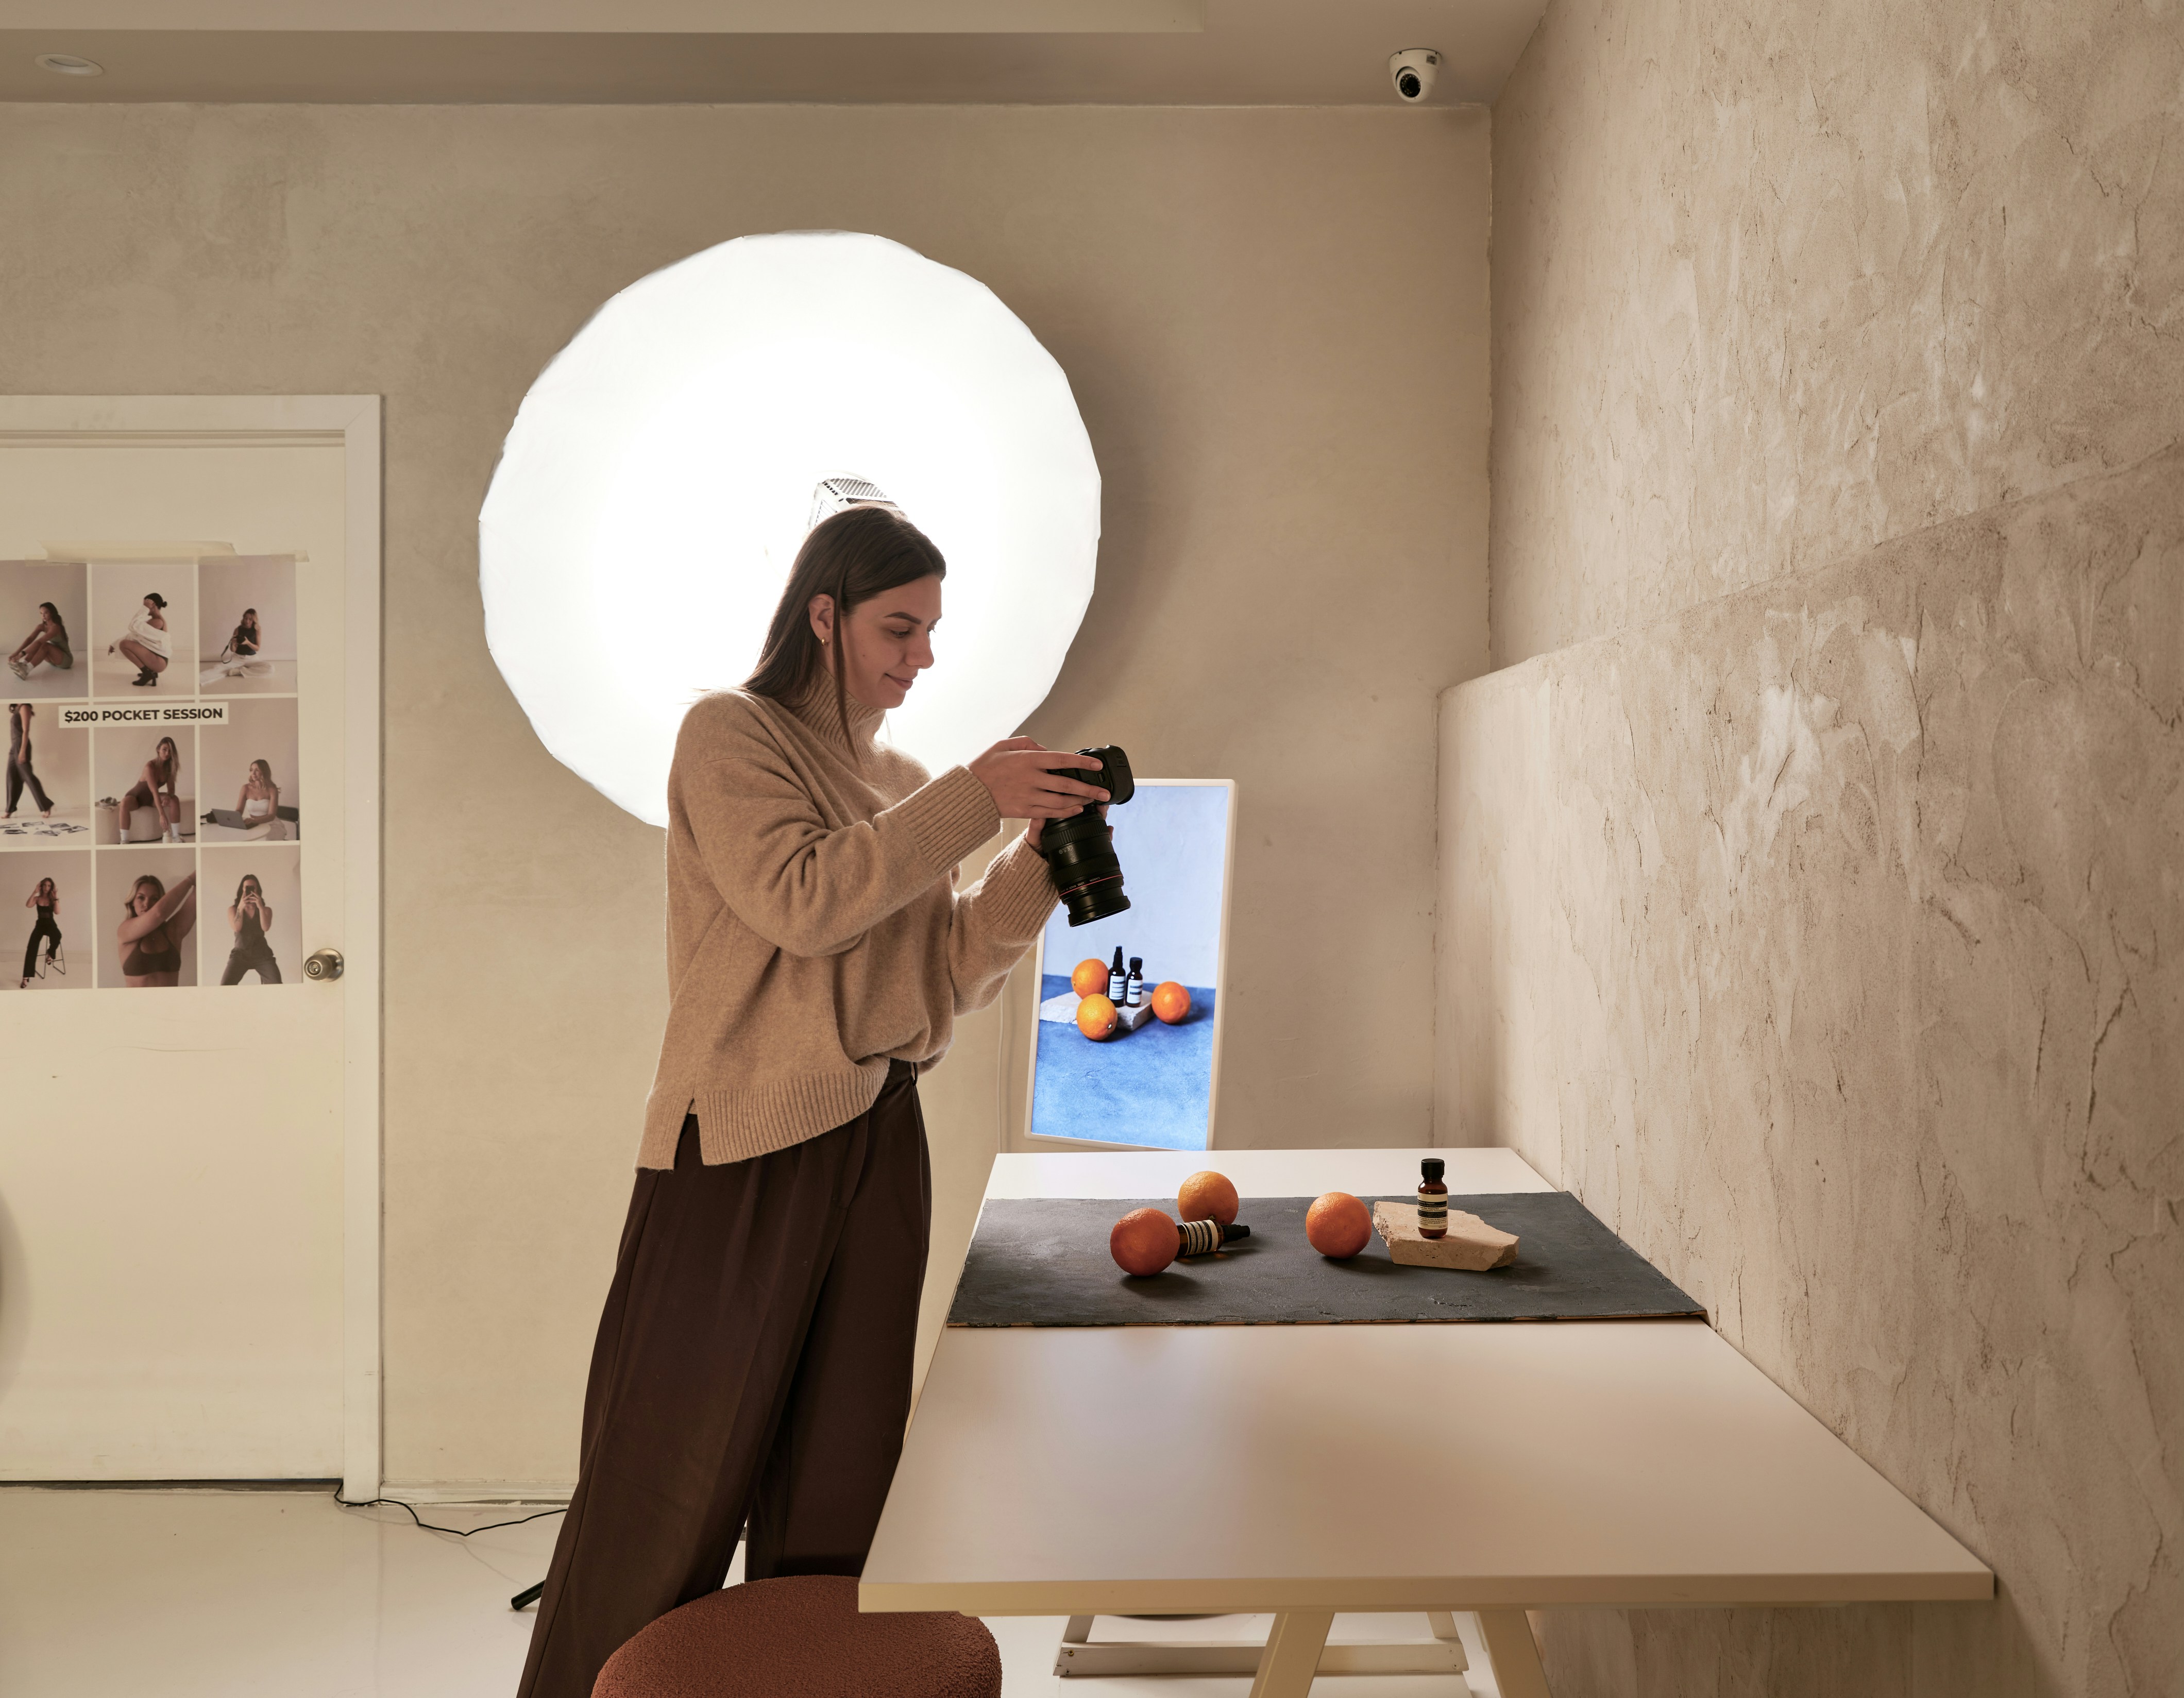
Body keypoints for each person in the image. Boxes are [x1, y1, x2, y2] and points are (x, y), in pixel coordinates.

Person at [516, 502, 1110, 1698]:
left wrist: (1033, 864)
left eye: (933, 630)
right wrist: (970, 799)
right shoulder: (728, 734)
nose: (922, 656)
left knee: (844, 1469)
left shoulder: (896, 779)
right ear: (823, 612)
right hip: (738, 1140)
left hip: (878, 1129)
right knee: (665, 1475)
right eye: (901, 625)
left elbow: (940, 971)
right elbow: (799, 898)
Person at [117, 869, 195, 988]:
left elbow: (197, 899)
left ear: (161, 901)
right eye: (141, 898)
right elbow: (158, 914)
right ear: (132, 901)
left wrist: (203, 872)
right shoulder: (125, 931)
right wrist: (190, 880)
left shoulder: (172, 931)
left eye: (154, 899)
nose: (147, 904)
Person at [120, 735, 184, 843]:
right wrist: (162, 815)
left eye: (170, 751)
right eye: (164, 750)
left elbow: (172, 789)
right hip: (136, 798)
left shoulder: (170, 767)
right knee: (124, 803)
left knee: (174, 799)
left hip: (152, 799)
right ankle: (124, 841)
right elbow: (154, 791)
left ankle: (176, 836)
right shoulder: (150, 766)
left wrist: (169, 796)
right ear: (158, 750)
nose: (167, 753)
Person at [220, 871, 281, 984]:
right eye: (247, 888)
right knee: (225, 986)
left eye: (252, 888)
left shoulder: (266, 910)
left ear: (257, 890)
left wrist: (260, 907)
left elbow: (265, 928)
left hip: (262, 954)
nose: (250, 891)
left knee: (276, 985)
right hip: (240, 954)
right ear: (242, 890)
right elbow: (237, 928)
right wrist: (241, 907)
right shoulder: (233, 909)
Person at [202, 758, 282, 834]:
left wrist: (255, 821)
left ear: (264, 771)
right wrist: (231, 819)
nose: (253, 773)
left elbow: (271, 816)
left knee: (265, 840)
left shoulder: (272, 790)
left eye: (257, 770)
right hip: (254, 825)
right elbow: (239, 811)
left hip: (271, 824)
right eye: (251, 770)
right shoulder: (246, 788)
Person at [112, 591, 172, 688]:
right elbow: (135, 635)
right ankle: (151, 672)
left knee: (124, 644)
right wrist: (114, 644)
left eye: (146, 605)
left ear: (154, 605)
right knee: (125, 643)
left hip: (159, 663)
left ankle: (147, 674)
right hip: (158, 661)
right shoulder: (156, 620)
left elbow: (133, 626)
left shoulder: (157, 622)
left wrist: (145, 608)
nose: (145, 607)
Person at [6, 703, 53, 821]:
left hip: (21, 746)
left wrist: (22, 751)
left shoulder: (24, 707)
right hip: (14, 747)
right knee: (11, 777)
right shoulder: (17, 708)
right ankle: (10, 809)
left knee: (28, 777)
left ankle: (46, 805)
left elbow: (26, 730)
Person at [8, 601, 72, 680]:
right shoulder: (42, 626)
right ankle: (24, 665)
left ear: (52, 613)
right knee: (39, 646)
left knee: (45, 645)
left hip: (65, 660)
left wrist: (20, 655)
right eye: (41, 613)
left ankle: (27, 669)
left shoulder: (56, 627)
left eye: (46, 613)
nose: (43, 616)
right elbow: (30, 639)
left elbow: (40, 642)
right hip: (53, 660)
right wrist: (16, 653)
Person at [20, 875, 60, 988]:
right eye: (45, 885)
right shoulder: (37, 898)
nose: (47, 887)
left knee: (58, 935)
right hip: (40, 925)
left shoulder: (53, 899)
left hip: (50, 924)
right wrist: (34, 892)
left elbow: (57, 912)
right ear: (41, 886)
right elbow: (28, 905)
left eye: (49, 885)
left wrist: (56, 898)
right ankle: (25, 978)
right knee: (31, 948)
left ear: (51, 887)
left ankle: (50, 953)